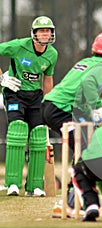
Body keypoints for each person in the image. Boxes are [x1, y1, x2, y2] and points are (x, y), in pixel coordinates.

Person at [41, 32, 102, 218]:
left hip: (49, 106)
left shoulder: (87, 62)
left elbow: (82, 89)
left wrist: (95, 112)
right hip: (62, 110)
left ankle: (78, 201)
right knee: (88, 155)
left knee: (86, 152)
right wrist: (97, 112)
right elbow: (88, 85)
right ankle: (69, 203)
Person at [0, 16, 58, 196]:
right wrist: (2, 78)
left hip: (35, 98)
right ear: (34, 33)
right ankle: (12, 183)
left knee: (39, 135)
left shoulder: (52, 54)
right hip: (14, 93)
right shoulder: (19, 46)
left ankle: (34, 186)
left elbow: (47, 80)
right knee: (17, 130)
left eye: (47, 31)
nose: (45, 34)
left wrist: (47, 106)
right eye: (41, 31)